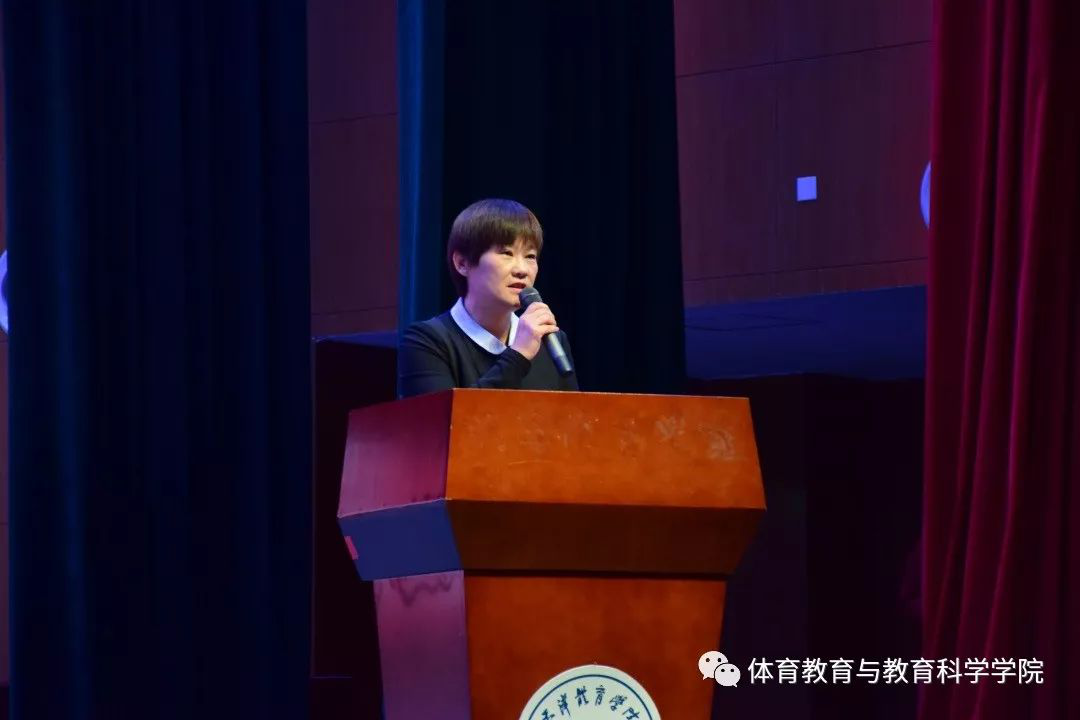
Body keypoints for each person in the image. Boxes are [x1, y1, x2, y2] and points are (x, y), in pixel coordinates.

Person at [398, 199, 579, 398]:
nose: (522, 270)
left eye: (530, 256)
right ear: (462, 263)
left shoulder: (551, 341)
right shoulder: (427, 342)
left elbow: (575, 415)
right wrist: (519, 354)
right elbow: (449, 416)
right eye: (507, 253)